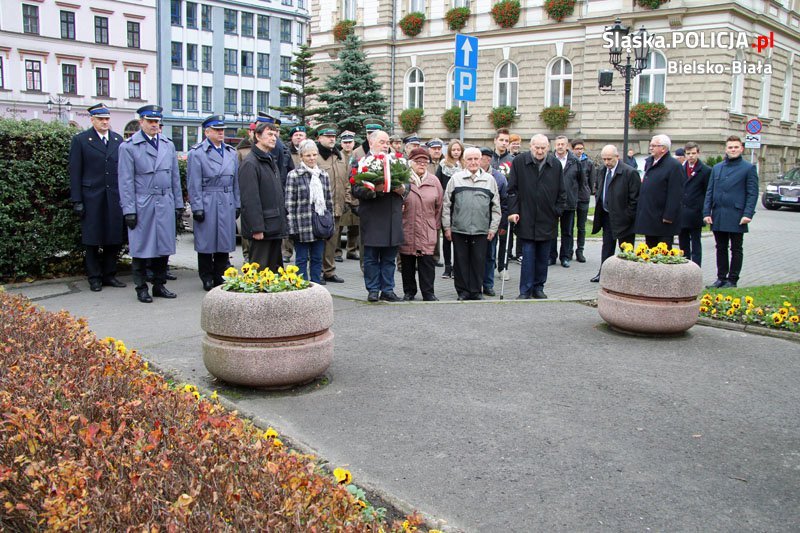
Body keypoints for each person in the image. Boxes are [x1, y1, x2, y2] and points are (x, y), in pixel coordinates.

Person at [118, 105, 183, 303]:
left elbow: (174, 177)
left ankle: (159, 284)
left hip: (164, 201)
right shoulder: (129, 147)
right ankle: (141, 287)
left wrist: (178, 204)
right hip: (143, 202)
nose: (154, 125)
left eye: (157, 122)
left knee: (164, 247)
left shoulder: (167, 145)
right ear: (141, 123)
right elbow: (125, 181)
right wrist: (129, 209)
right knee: (141, 247)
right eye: (150, 121)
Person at [68, 103, 126, 292]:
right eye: (100, 119)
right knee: (92, 240)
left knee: (113, 238)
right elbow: (75, 171)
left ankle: (109, 274)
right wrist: (77, 200)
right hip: (92, 196)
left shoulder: (118, 140)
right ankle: (94, 277)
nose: (104, 122)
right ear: (92, 120)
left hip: (114, 196)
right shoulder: (82, 140)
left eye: (107, 119)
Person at [507, 134, 566, 300]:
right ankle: (525, 290)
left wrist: (557, 211)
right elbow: (512, 190)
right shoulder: (519, 162)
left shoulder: (554, 164)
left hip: (548, 218)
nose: (540, 151)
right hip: (526, 217)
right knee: (528, 256)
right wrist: (513, 211)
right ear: (531, 146)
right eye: (537, 147)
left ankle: (539, 287)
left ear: (548, 148)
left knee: (543, 257)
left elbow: (562, 192)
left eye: (543, 148)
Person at [351, 129, 407, 302]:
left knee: (390, 258)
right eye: (382, 142)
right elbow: (356, 189)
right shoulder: (361, 163)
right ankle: (373, 289)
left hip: (392, 216)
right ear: (371, 142)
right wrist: (375, 190)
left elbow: (407, 183)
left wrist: (402, 189)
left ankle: (388, 290)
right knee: (371, 257)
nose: (385, 145)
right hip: (373, 217)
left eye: (387, 142)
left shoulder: (397, 161)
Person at [187, 114, 240, 291]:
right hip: (208, 199)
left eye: (222, 130)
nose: (220, 133)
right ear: (207, 131)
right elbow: (193, 183)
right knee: (206, 241)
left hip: (226, 199)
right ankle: (206, 276)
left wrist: (237, 203)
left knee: (223, 241)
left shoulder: (231, 152)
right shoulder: (197, 153)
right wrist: (197, 206)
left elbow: (236, 182)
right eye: (217, 130)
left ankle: (220, 274)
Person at [442, 147, 501, 301]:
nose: (473, 162)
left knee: (478, 261)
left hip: (481, 230)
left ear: (481, 160)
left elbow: (496, 207)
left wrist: (493, 228)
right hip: (459, 229)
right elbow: (446, 204)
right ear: (464, 161)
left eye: (476, 159)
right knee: (460, 262)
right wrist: (447, 227)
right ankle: (462, 292)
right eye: (470, 159)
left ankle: (476, 291)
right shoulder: (456, 179)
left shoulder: (490, 180)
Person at [703, 135, 759, 288]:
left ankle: (732, 280)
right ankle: (721, 278)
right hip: (719, 214)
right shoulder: (717, 168)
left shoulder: (748, 168)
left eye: (736, 147)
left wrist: (748, 214)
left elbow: (752, 193)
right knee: (720, 247)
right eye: (730, 147)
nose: (733, 150)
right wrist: (706, 212)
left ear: (741, 148)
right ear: (725, 149)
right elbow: (710, 191)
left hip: (737, 215)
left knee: (736, 248)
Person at [239, 116, 288, 273]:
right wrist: (257, 228)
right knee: (259, 271)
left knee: (274, 271)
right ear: (257, 136)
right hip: (262, 229)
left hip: (274, 225)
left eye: (275, 135)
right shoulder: (250, 163)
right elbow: (250, 199)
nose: (274, 138)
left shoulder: (269, 159)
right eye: (269, 134)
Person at [590, 145, 641, 282]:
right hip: (607, 216)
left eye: (609, 159)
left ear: (617, 157)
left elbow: (635, 199)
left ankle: (628, 276)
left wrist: (628, 216)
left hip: (624, 218)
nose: (607, 162)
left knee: (626, 248)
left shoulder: (629, 173)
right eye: (604, 159)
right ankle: (604, 273)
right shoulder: (602, 170)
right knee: (607, 247)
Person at [285, 140, 334, 284]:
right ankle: (302, 287)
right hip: (302, 226)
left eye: (314, 155)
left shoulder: (323, 175)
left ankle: (316, 287)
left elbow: (328, 202)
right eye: (308, 155)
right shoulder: (294, 175)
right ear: (301, 157)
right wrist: (291, 228)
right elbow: (289, 204)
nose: (312, 158)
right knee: (301, 259)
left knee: (317, 258)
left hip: (319, 225)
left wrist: (330, 226)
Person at [400, 148, 443, 301]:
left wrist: (434, 225)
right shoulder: (403, 180)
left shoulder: (434, 181)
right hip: (408, 227)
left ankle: (428, 293)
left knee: (427, 263)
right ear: (410, 163)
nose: (422, 164)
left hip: (427, 228)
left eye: (425, 162)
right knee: (407, 262)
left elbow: (440, 206)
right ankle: (409, 292)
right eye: (418, 162)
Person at [635, 134, 684, 248]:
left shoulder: (674, 165)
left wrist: (669, 216)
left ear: (663, 148)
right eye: (650, 145)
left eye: (654, 145)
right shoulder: (650, 162)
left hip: (663, 219)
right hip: (649, 216)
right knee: (650, 250)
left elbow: (675, 193)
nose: (650, 148)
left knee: (662, 253)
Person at [315, 124, 347, 283]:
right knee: (319, 240)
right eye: (328, 136)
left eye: (333, 136)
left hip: (337, 205)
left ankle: (329, 270)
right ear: (319, 138)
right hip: (320, 208)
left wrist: (346, 200)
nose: (332, 139)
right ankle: (317, 271)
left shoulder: (339, 156)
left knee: (333, 241)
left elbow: (346, 181)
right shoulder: (315, 156)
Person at [478, 148, 508, 297]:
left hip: (491, 223)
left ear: (488, 159)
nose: (477, 160)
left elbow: (504, 203)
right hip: (473, 222)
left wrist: (502, 224)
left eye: (480, 158)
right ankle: (475, 283)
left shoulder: (499, 178)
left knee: (490, 255)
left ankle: (488, 284)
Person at [549, 135, 581, 268]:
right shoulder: (549, 159)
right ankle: (551, 256)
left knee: (567, 231)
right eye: (558, 144)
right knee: (552, 231)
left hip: (569, 202)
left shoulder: (575, 161)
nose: (560, 146)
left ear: (567, 145)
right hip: (552, 202)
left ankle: (565, 257)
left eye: (563, 144)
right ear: (555, 146)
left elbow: (580, 181)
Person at [678, 142, 712, 266]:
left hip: (696, 212)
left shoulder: (705, 170)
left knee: (696, 243)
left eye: (693, 153)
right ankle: (684, 266)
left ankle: (696, 268)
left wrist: (705, 211)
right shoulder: (680, 168)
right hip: (682, 212)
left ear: (698, 153)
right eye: (688, 154)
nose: (691, 156)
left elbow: (707, 192)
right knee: (683, 243)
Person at [436, 139, 464, 279]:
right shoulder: (443, 165)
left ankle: (458, 266)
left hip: (461, 206)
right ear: (449, 151)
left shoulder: (464, 165)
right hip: (447, 205)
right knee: (447, 236)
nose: (456, 152)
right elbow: (437, 182)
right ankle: (447, 267)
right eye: (453, 150)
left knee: (459, 237)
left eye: (458, 150)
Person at [571, 138, 595, 263]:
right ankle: (568, 250)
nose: (579, 151)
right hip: (571, 197)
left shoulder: (589, 163)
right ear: (572, 149)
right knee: (569, 226)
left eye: (581, 149)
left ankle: (580, 250)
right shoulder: (570, 162)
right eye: (577, 149)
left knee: (581, 226)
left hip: (583, 198)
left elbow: (591, 182)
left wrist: (588, 191)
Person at [338, 130, 361, 261]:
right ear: (341, 143)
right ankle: (337, 252)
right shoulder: (338, 156)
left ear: (353, 143)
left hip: (356, 193)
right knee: (340, 224)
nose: (347, 145)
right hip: (343, 193)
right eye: (345, 142)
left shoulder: (357, 155)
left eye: (350, 142)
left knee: (355, 225)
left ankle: (351, 250)